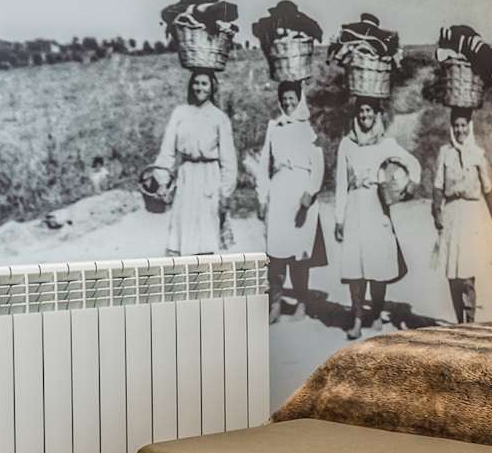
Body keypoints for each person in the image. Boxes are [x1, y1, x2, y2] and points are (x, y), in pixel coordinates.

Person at [329, 97, 419, 339]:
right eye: (361, 111)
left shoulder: (386, 144)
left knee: (378, 263)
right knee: (355, 266)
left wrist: (407, 186)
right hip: (354, 207)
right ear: (355, 115)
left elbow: (413, 164)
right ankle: (357, 317)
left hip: (377, 207)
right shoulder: (347, 144)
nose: (364, 115)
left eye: (369, 110)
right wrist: (339, 218)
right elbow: (340, 184)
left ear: (377, 114)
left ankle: (377, 312)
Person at [250, 75, 325, 318]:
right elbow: (264, 165)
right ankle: (275, 303)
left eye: (292, 98)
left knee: (300, 251)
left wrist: (310, 191)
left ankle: (301, 302)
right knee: (276, 251)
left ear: (299, 99)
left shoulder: (307, 129)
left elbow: (318, 165)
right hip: (279, 192)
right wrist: (262, 197)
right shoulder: (275, 127)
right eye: (284, 99)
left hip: (301, 194)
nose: (288, 103)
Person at [152, 69, 237, 254]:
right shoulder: (180, 113)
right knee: (183, 231)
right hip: (187, 176)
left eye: (204, 84)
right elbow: (167, 149)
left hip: (210, 177)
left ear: (212, 87)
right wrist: (162, 181)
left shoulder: (219, 118)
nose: (199, 88)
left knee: (207, 234)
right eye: (196, 83)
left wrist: (226, 192)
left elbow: (229, 159)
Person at [430, 107, 492, 323]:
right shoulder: (445, 153)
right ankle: (459, 322)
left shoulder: (478, 154)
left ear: (469, 127)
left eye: (463, 125)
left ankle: (470, 323)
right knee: (453, 274)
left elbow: (488, 190)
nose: (460, 130)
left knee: (468, 273)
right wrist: (436, 211)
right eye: (456, 125)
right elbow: (438, 186)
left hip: (470, 216)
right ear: (451, 127)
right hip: (451, 214)